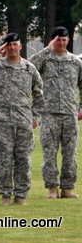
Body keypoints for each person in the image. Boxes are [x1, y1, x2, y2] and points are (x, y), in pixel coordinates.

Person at [0, 33, 44, 205]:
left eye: (15, 44)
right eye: (8, 45)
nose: (12, 48)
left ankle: (21, 195)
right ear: (4, 47)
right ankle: (5, 194)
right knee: (4, 158)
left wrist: (35, 116)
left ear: (20, 46)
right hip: (2, 120)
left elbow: (39, 93)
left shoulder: (29, 68)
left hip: (23, 120)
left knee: (23, 159)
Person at [28, 26, 82, 199]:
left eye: (64, 40)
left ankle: (67, 188)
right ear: (52, 41)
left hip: (70, 114)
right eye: (58, 40)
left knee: (70, 154)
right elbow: (28, 67)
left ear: (68, 41)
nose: (61, 43)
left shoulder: (75, 62)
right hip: (49, 114)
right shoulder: (45, 59)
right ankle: (52, 187)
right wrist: (47, 49)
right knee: (49, 153)